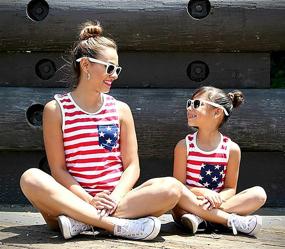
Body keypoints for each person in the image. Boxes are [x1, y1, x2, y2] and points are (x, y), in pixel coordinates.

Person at [20, 21, 182, 241]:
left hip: (117, 202)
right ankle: (115, 225)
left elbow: (132, 166)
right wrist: (88, 200)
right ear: (85, 64)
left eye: (117, 69)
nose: (114, 75)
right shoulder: (56, 110)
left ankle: (82, 223)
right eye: (109, 68)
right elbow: (58, 170)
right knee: (30, 178)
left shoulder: (121, 110)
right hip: (72, 200)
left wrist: (114, 198)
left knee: (171, 188)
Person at [171, 86, 267, 236]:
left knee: (259, 194)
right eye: (189, 103)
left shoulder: (232, 149)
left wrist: (217, 199)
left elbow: (230, 188)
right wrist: (204, 192)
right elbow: (178, 186)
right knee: (177, 200)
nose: (189, 108)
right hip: (188, 204)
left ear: (217, 112)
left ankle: (203, 218)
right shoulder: (184, 146)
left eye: (196, 104)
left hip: (216, 204)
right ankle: (229, 220)